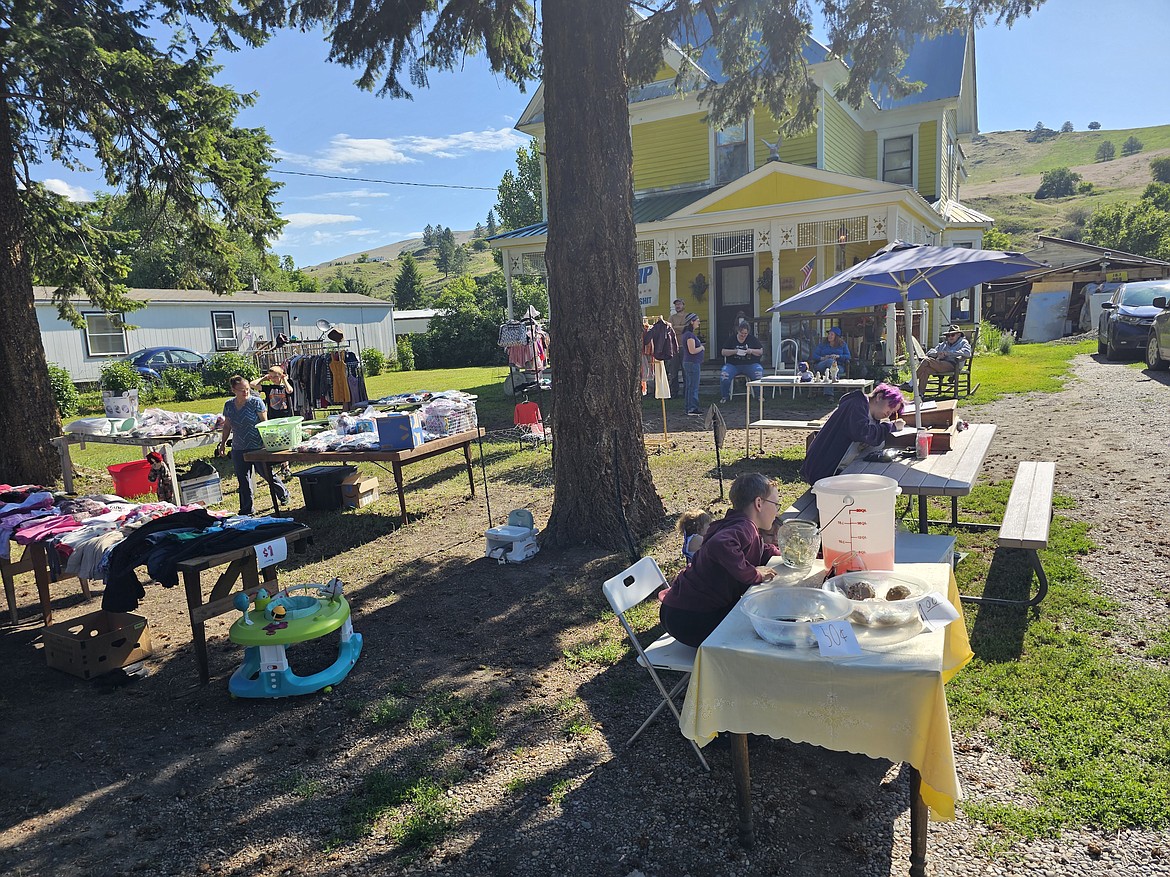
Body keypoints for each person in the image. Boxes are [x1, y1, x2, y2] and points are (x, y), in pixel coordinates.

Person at [659, 473, 781, 647]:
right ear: (759, 503)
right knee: (761, 631)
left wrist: (782, 554)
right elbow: (720, 544)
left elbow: (759, 549)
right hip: (691, 618)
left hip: (679, 611)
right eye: (775, 504)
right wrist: (754, 574)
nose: (777, 510)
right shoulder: (744, 526)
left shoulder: (738, 524)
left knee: (754, 618)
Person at [801, 383, 906, 485]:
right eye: (890, 407)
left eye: (892, 412)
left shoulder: (872, 416)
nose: (889, 413)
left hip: (840, 470)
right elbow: (862, 433)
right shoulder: (856, 404)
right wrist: (890, 427)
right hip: (824, 471)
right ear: (879, 397)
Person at [218, 374, 291, 516]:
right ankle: (247, 509)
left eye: (247, 389)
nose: (246, 392)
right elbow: (227, 426)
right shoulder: (229, 405)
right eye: (241, 390)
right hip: (239, 447)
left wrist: (269, 443)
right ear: (233, 390)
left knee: (266, 474)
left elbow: (265, 424)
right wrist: (222, 444)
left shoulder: (256, 402)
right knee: (243, 480)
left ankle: (283, 494)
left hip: (258, 446)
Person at [719, 320, 764, 403]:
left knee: (758, 373)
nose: (743, 336)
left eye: (745, 334)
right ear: (738, 331)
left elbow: (760, 351)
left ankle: (759, 395)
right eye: (741, 333)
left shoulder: (752, 339)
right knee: (724, 374)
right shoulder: (731, 339)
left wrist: (751, 351)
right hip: (733, 365)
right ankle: (724, 396)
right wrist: (735, 351)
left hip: (750, 364)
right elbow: (723, 352)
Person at [680, 312, 705, 415]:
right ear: (691, 322)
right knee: (693, 386)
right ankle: (692, 408)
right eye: (697, 320)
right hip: (692, 363)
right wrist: (702, 347)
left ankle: (689, 407)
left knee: (690, 386)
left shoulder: (686, 334)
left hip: (689, 362)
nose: (698, 322)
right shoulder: (689, 335)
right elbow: (692, 350)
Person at [666, 298, 689, 396]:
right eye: (676, 305)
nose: (678, 306)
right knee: (673, 371)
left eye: (679, 304)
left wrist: (676, 327)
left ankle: (686, 392)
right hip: (674, 347)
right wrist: (681, 327)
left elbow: (688, 328)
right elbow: (669, 329)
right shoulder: (672, 317)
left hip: (685, 347)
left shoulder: (687, 316)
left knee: (686, 371)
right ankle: (674, 392)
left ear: (683, 305)